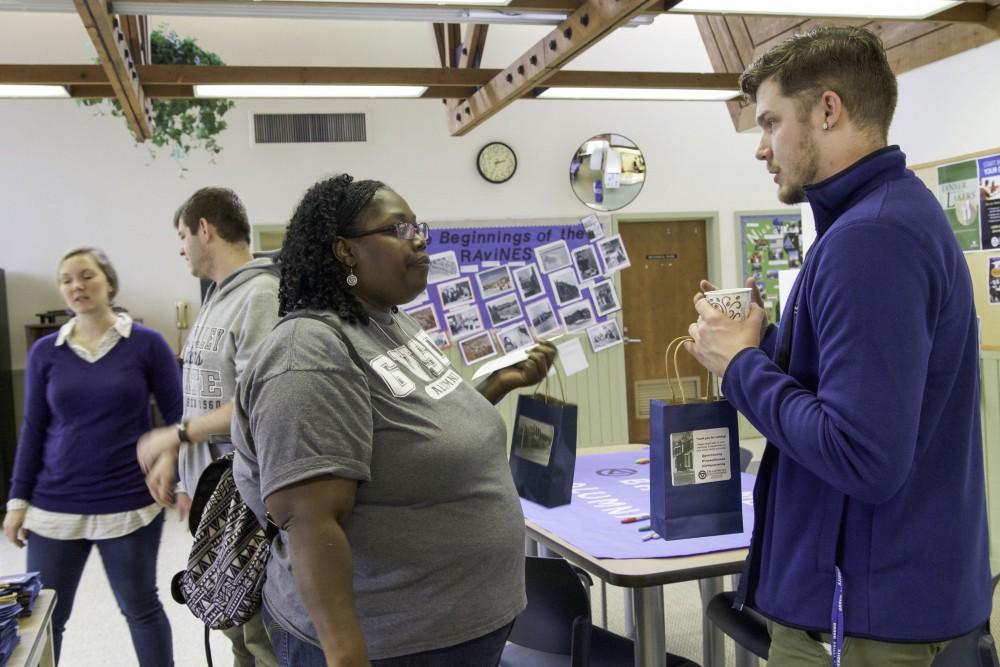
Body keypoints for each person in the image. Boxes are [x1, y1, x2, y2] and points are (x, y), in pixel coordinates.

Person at [684, 27, 991, 666]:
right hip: (879, 611)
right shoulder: (883, 218)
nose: (762, 149)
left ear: (828, 110)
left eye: (770, 124)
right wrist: (764, 346)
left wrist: (740, 367)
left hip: (865, 626)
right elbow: (849, 393)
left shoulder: (869, 238)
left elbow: (863, 455)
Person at [229, 174, 557, 666]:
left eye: (418, 225)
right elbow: (310, 519)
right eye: (399, 228)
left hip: (458, 625)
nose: (420, 238)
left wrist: (494, 386)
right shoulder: (308, 352)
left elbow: (414, 435)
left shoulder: (390, 320)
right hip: (390, 645)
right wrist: (346, 657)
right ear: (345, 251)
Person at [2, 248, 180, 665]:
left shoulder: (146, 344)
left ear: (109, 283)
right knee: (45, 619)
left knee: (141, 609)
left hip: (128, 500)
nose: (77, 285)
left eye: (87, 276)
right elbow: (33, 430)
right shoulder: (46, 351)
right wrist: (17, 502)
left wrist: (171, 465)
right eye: (67, 280)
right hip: (55, 504)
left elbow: (178, 417)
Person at [136, 186, 280, 666]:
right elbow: (206, 395)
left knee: (260, 638)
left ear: (205, 228)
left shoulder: (261, 295)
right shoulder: (218, 298)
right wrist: (177, 452)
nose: (180, 248)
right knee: (235, 633)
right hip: (211, 500)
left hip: (248, 503)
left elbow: (256, 403)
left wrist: (176, 435)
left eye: (182, 234)